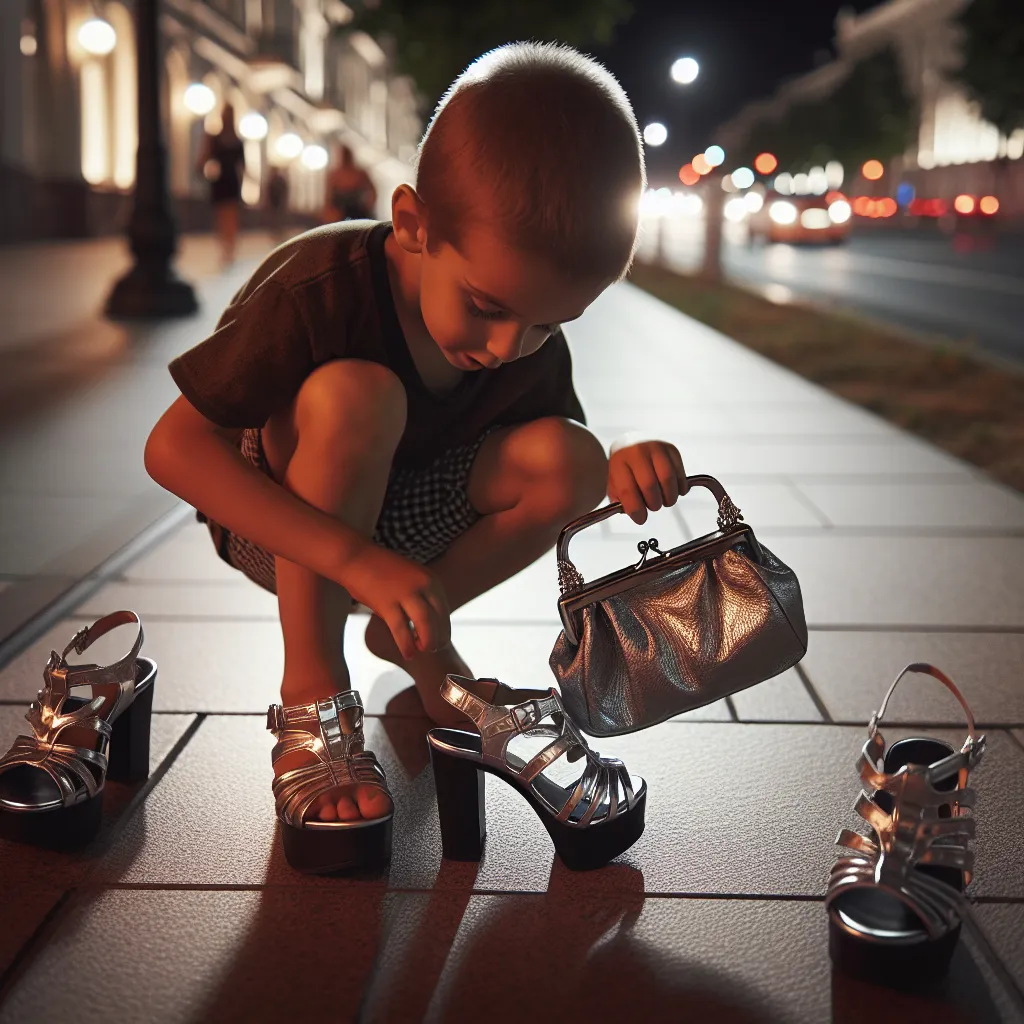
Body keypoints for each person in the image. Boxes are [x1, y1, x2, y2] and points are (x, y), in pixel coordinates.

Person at [145, 43, 686, 832]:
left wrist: (625, 460)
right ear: (412, 224)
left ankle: (413, 641)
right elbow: (172, 448)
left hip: (410, 532)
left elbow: (554, 457)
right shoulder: (317, 285)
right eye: (486, 305)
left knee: (573, 458)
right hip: (285, 527)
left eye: (548, 323)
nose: (506, 347)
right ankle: (314, 690)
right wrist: (353, 557)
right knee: (356, 393)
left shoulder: (522, 337)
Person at [197, 103, 246, 266]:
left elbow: (242, 165)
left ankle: (229, 248)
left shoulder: (236, 141)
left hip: (230, 180)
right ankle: (226, 247)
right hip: (221, 181)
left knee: (229, 215)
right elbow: (204, 158)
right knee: (222, 215)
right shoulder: (215, 138)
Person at [323, 142, 377, 222]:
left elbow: (372, 190)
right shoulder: (335, 174)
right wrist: (329, 210)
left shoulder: (359, 173)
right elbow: (329, 195)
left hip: (358, 209)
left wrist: (368, 205)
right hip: (340, 210)